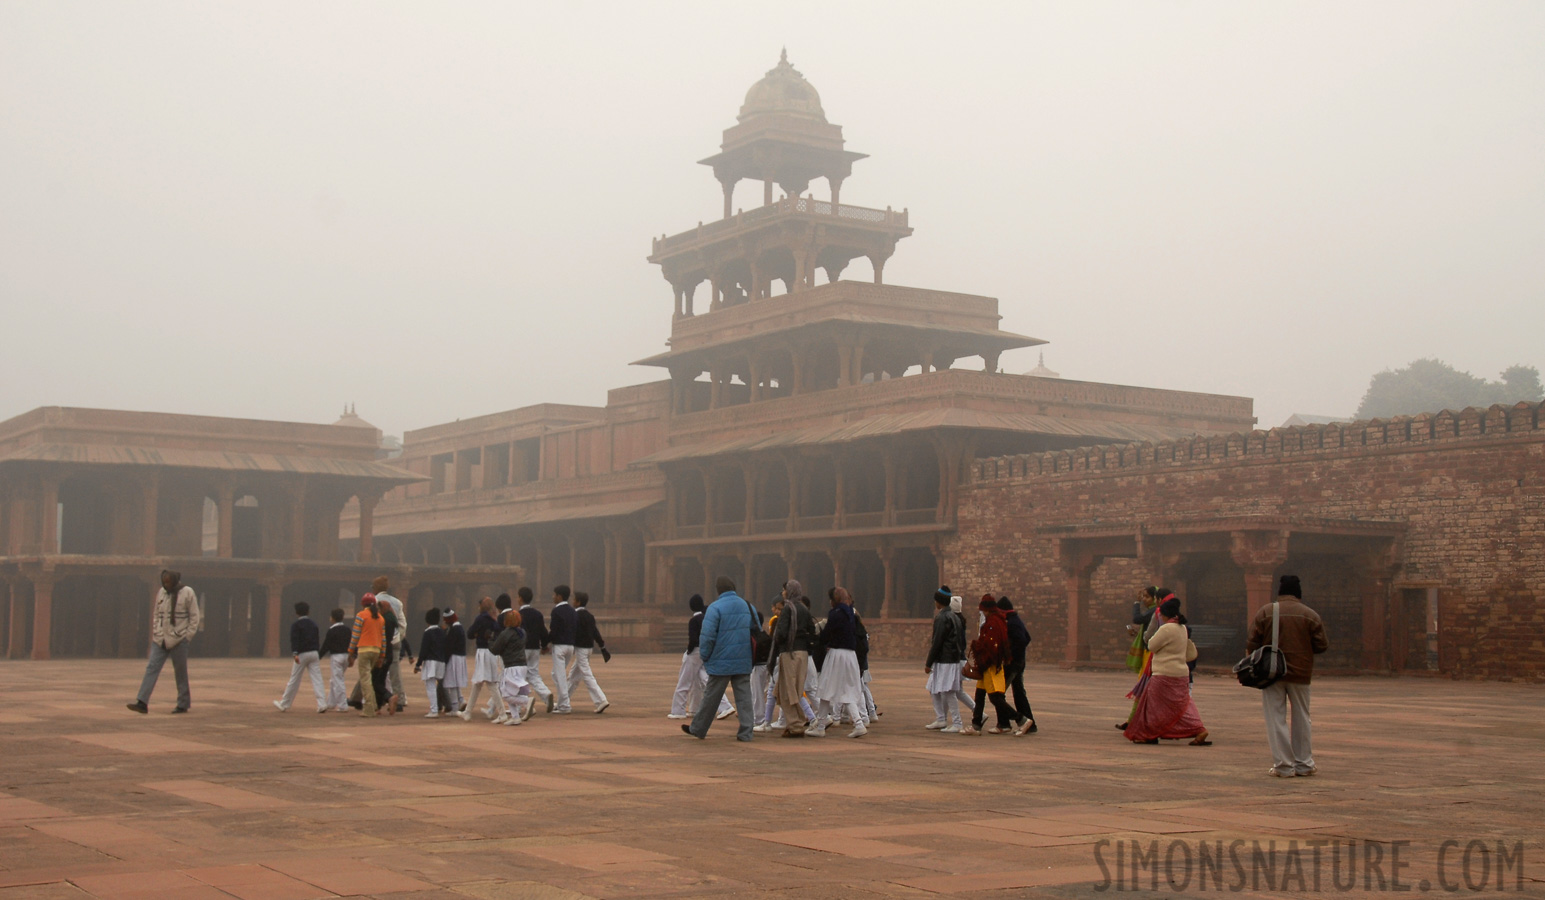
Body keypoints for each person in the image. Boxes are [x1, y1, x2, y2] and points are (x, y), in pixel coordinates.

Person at [1248, 575, 1329, 777]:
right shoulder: (1310, 615)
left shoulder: (1266, 612)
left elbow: (1252, 642)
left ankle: (1284, 765)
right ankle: (1304, 763)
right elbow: (1321, 645)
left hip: (1272, 673)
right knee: (1302, 716)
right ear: (1298, 594)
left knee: (1276, 717)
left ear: (1280, 592)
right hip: (1301, 673)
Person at [1124, 596, 1210, 746]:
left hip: (1164, 673)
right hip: (1181, 673)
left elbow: (1151, 645)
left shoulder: (1166, 628)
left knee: (1153, 704)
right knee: (1183, 703)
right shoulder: (1182, 628)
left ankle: (1150, 733)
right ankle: (1199, 728)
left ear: (1163, 615)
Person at [681, 576, 759, 742]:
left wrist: (706, 655)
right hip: (743, 658)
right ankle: (746, 732)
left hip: (721, 659)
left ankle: (699, 728)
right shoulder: (747, 606)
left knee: (711, 697)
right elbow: (756, 628)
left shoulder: (715, 608)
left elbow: (707, 636)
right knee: (744, 697)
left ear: (718, 590)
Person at [129, 570, 202, 714]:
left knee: (180, 672)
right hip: (160, 638)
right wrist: (156, 631)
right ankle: (142, 702)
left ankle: (183, 703)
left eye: (168, 582)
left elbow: (194, 617)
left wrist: (187, 637)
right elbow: (156, 614)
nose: (166, 584)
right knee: (152, 667)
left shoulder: (187, 592)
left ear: (174, 581)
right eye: (164, 582)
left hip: (179, 638)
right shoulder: (161, 593)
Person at [810, 588, 867, 738]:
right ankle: (859, 723)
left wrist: (818, 642)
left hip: (837, 654)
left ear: (834, 600)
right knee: (847, 690)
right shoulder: (850, 613)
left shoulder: (835, 614)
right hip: (850, 655)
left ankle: (821, 726)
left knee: (825, 689)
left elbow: (826, 634)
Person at [669, 594, 734, 721]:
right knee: (704, 679)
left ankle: (678, 710)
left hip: (695, 652)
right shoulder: (707, 618)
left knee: (684, 680)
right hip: (707, 651)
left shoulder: (694, 620)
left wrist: (689, 651)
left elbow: (693, 639)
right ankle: (723, 706)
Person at [765, 580, 815, 737]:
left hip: (790, 653)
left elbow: (781, 633)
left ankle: (796, 725)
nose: (783, 593)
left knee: (788, 691)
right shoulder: (804, 610)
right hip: (803, 654)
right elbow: (812, 631)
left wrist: (779, 642)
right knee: (794, 690)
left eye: (785, 590)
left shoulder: (788, 609)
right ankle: (796, 722)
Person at [963, 595, 1017, 735]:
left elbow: (991, 646)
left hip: (991, 664)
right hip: (989, 663)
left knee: (995, 697)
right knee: (980, 694)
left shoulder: (993, 623)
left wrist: (979, 649)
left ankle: (1020, 719)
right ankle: (976, 725)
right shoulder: (996, 621)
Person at [1118, 586, 1164, 729]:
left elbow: (1138, 619)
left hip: (1152, 656)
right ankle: (1133, 720)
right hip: (1153, 655)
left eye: (1147, 597)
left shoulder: (1155, 611)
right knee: (1144, 688)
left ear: (1156, 599)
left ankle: (1135, 721)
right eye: (1143, 597)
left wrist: (1136, 604)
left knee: (1144, 688)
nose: (1144, 599)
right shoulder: (1157, 613)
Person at [924, 587, 966, 733]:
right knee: (933, 689)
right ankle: (941, 719)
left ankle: (957, 722)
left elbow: (938, 641)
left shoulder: (942, 618)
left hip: (945, 659)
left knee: (948, 691)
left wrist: (929, 662)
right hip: (949, 658)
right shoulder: (954, 616)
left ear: (938, 602)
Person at [274, 601, 326, 713]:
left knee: (294, 679)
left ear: (296, 613)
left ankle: (284, 703)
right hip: (314, 652)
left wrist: (295, 653)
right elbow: (317, 638)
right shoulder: (313, 624)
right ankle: (322, 704)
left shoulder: (296, 625)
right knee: (317, 679)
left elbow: (295, 640)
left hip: (302, 654)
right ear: (308, 611)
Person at [997, 596, 1037, 735]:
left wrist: (1011, 655)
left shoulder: (1012, 623)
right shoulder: (1016, 620)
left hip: (1013, 664)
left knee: (998, 694)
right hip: (1019, 662)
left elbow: (1022, 640)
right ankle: (1030, 723)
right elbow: (1027, 638)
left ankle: (1004, 723)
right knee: (1019, 693)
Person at [489, 610, 534, 725]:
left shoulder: (506, 633)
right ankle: (515, 717)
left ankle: (526, 702)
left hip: (512, 666)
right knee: (512, 692)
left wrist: (489, 640)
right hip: (522, 665)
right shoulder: (522, 632)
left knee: (506, 694)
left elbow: (495, 650)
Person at [463, 597, 505, 722]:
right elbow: (498, 633)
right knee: (477, 683)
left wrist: (478, 634)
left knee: (491, 683)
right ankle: (468, 712)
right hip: (491, 652)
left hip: (483, 652)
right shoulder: (493, 620)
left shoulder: (480, 619)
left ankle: (502, 713)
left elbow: (470, 633)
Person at [568, 592, 610, 714]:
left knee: (586, 675)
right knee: (573, 676)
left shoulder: (575, 616)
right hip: (588, 649)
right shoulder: (589, 616)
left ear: (578, 602)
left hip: (580, 648)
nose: (572, 601)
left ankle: (601, 700)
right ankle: (563, 700)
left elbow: (573, 632)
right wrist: (602, 646)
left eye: (574, 599)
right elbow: (595, 632)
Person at [371, 576, 409, 712]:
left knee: (371, 672)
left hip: (378, 642)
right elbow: (402, 623)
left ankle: (361, 699)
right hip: (394, 640)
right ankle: (400, 700)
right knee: (395, 673)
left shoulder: (374, 601)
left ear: (375, 588)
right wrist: (398, 637)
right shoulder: (397, 602)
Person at [346, 594, 387, 717]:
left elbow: (355, 635)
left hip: (364, 649)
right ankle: (373, 705)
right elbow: (383, 638)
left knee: (365, 680)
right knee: (369, 679)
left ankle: (368, 708)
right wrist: (382, 655)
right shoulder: (380, 618)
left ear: (363, 604)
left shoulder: (361, 616)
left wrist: (350, 651)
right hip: (376, 650)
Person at [516, 588, 554, 713]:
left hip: (522, 648)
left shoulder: (517, 615)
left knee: (519, 676)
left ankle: (524, 703)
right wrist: (544, 646)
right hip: (535, 648)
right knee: (533, 674)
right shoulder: (537, 614)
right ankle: (546, 694)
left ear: (520, 598)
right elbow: (543, 631)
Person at [415, 608, 449, 717]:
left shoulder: (428, 632)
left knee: (430, 685)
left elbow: (423, 650)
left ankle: (434, 709)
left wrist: (418, 664)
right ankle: (447, 705)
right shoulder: (442, 632)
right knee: (442, 685)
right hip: (441, 661)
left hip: (430, 661)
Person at [548, 585, 577, 714]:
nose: (553, 597)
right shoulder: (572, 611)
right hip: (570, 646)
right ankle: (561, 702)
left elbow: (554, 630)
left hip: (559, 646)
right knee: (556, 674)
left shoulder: (556, 611)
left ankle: (565, 705)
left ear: (559, 596)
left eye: (554, 595)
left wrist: (544, 643)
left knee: (559, 676)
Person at [320, 607, 352, 712]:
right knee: (335, 679)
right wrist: (353, 655)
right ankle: (331, 702)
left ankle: (343, 705)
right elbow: (353, 643)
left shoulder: (331, 630)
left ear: (332, 618)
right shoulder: (347, 630)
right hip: (346, 657)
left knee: (338, 681)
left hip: (336, 657)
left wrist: (318, 657)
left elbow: (326, 646)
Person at [442, 609, 468, 714]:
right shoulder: (460, 628)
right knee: (456, 681)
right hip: (460, 657)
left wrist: (445, 660)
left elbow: (449, 647)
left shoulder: (454, 630)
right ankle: (461, 700)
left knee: (451, 682)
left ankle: (454, 707)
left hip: (454, 658)